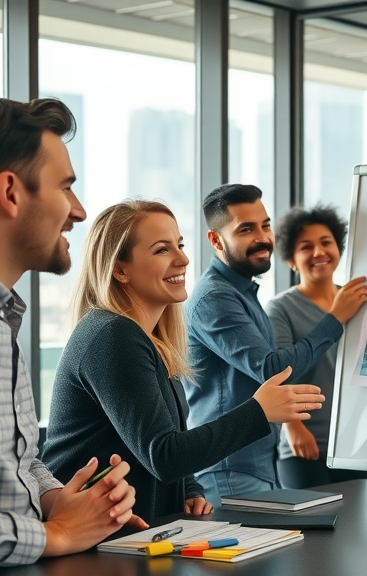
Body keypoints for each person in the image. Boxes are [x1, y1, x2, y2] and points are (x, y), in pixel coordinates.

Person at [0, 95, 141, 570]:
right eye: (65, 187)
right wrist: (54, 536)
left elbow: (19, 462)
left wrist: (69, 504)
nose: (79, 210)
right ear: (11, 192)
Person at [42, 200, 328, 520]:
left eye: (179, 245)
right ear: (120, 269)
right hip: (86, 541)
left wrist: (189, 489)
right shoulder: (112, 336)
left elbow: (160, 443)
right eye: (162, 250)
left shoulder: (151, 340)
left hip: (134, 534)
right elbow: (164, 455)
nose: (183, 259)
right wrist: (259, 411)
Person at [185, 184, 367, 504]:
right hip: (231, 468)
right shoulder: (215, 297)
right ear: (216, 240)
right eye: (246, 229)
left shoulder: (242, 293)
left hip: (256, 465)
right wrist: (334, 318)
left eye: (265, 225)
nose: (262, 237)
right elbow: (272, 369)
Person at [266, 205, 367, 488]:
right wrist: (293, 427)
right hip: (303, 445)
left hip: (355, 445)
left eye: (326, 242)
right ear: (290, 259)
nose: (318, 253)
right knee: (312, 529)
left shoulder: (357, 300)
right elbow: (276, 374)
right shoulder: (280, 308)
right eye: (305, 247)